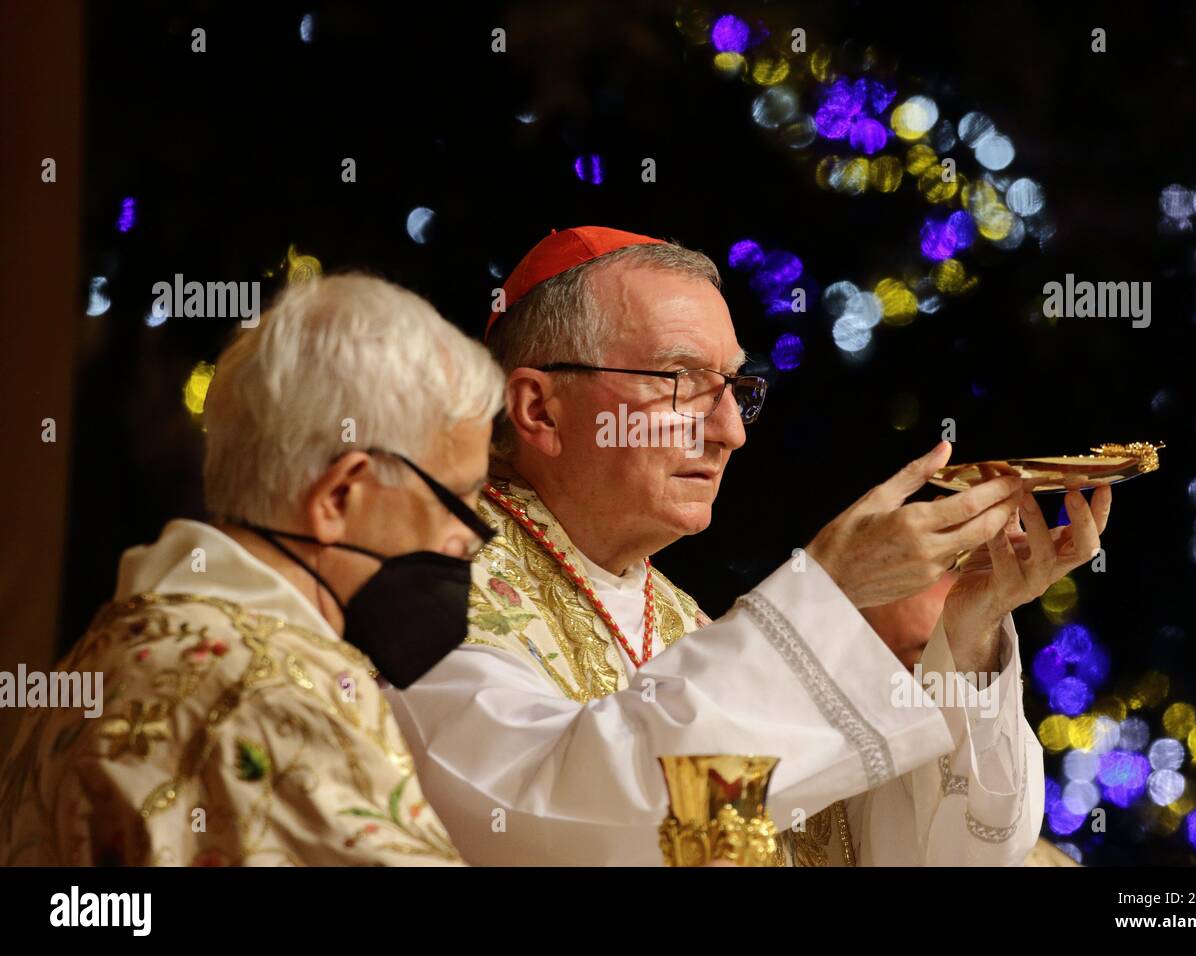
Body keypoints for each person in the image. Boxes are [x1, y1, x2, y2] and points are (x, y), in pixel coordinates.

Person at [389, 227, 1113, 865]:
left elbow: (918, 857)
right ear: (540, 409)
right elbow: (578, 821)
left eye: (736, 389)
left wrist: (970, 633)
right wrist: (824, 594)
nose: (730, 431)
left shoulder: (684, 625)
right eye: (679, 382)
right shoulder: (422, 596)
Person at [0, 274, 503, 866]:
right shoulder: (277, 698)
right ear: (339, 496)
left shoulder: (106, 648)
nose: (469, 539)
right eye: (459, 501)